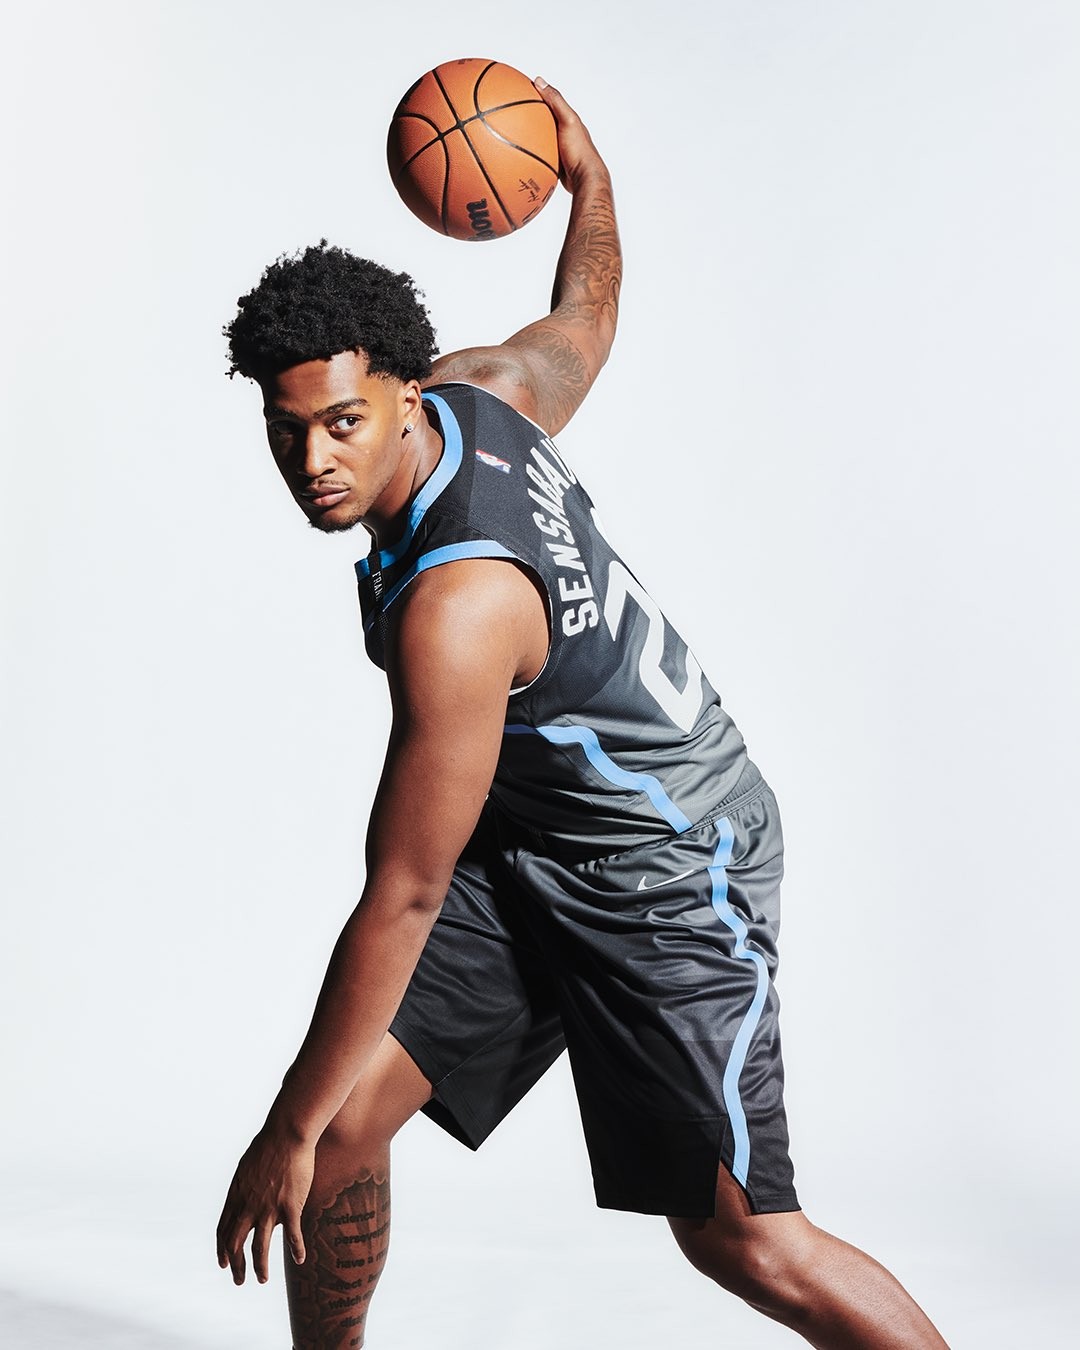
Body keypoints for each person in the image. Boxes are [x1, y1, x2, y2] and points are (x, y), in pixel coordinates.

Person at [216, 79, 948, 1349]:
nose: (316, 462)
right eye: (290, 433)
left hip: (671, 864)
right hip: (543, 833)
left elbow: (406, 893)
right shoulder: (485, 393)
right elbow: (586, 320)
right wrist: (589, 183)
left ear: (402, 394)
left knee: (744, 1240)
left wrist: (276, 1127)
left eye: (342, 424)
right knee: (344, 1127)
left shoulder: (458, 610)